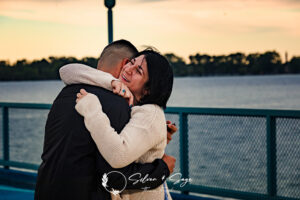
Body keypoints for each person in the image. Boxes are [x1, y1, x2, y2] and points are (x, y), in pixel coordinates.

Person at [34, 40, 176, 200]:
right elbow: (115, 175)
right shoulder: (118, 103)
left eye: (138, 71)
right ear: (124, 62)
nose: (129, 69)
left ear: (148, 88)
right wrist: (162, 169)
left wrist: (155, 138)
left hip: (44, 189)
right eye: (131, 63)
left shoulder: (66, 93)